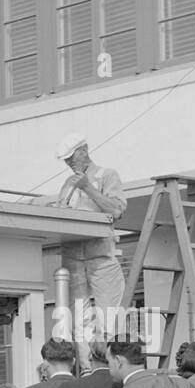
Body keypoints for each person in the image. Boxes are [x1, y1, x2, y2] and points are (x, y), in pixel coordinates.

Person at [52, 133, 128, 363]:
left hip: (101, 257)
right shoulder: (67, 184)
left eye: (71, 157)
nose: (68, 163)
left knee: (110, 316)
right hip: (73, 256)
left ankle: (114, 365)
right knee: (78, 320)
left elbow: (116, 211)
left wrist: (88, 188)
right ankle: (87, 368)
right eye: (65, 160)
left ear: (83, 151)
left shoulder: (107, 175)